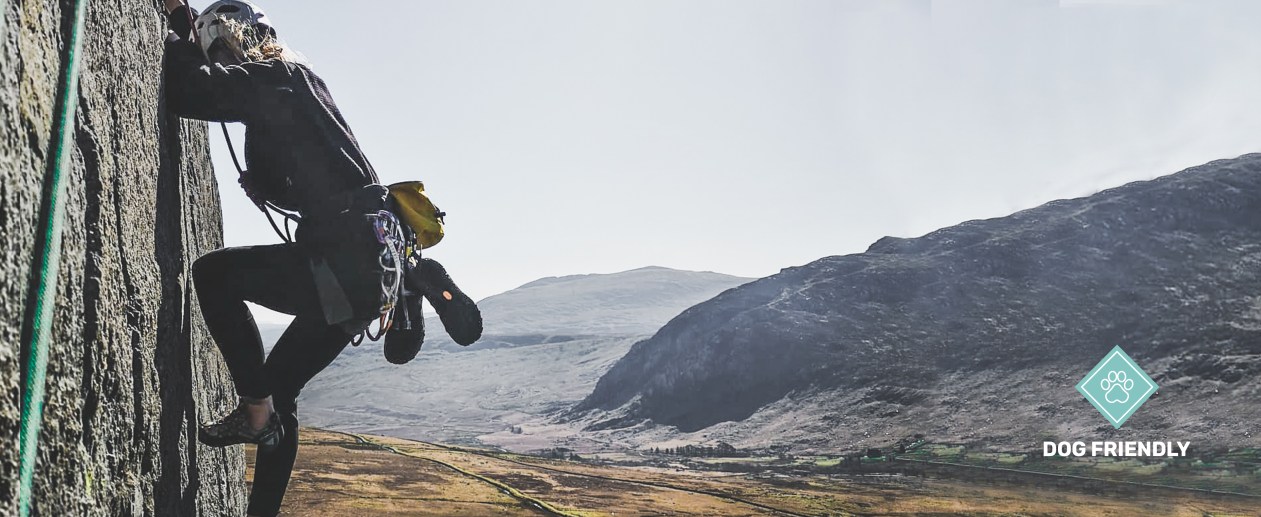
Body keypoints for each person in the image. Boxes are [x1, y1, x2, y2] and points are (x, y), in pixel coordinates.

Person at [161, 1, 480, 515]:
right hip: (366, 263)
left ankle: (255, 409)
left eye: (220, 50)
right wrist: (264, 184)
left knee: (213, 275)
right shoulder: (306, 85)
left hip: (338, 260)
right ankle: (410, 285)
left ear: (231, 38)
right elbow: (311, 176)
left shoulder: (274, 77)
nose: (222, 61)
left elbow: (190, 91)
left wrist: (178, 28)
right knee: (282, 390)